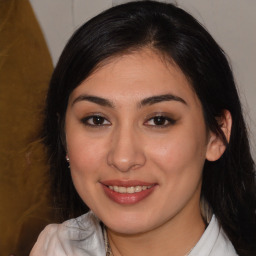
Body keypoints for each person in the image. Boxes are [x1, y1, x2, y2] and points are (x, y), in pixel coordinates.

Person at [30, 1, 256, 255]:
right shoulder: (56, 246)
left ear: (216, 135)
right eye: (97, 120)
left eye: (159, 120)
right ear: (64, 136)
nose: (123, 158)